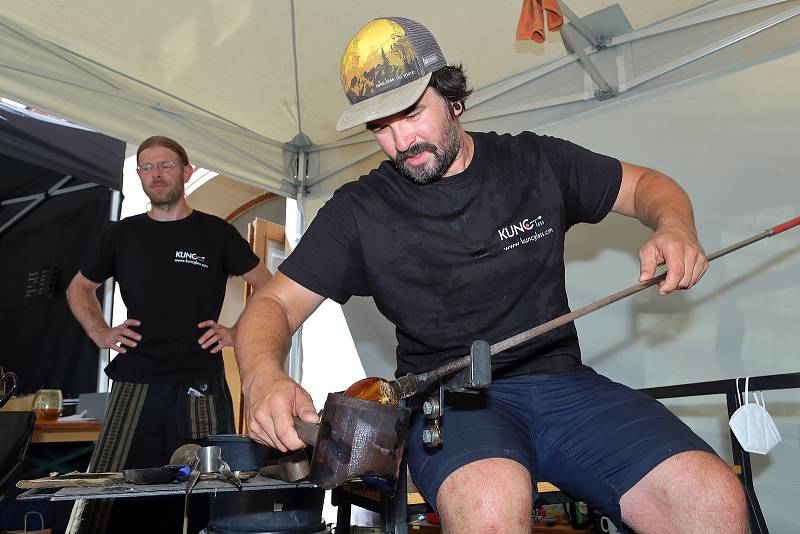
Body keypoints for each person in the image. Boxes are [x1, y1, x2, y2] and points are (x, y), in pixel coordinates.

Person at [234, 17, 747, 534]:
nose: (400, 141)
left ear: (453, 98)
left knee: (711, 498)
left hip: (565, 387)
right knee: (488, 511)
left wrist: (675, 226)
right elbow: (273, 304)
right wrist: (262, 376)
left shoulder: (536, 161)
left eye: (412, 114)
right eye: (381, 128)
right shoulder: (358, 211)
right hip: (453, 406)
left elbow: (645, 186)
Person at [66, 135, 269, 533]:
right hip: (134, 381)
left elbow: (268, 285)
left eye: (166, 166)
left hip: (201, 384)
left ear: (186, 172)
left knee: (209, 489)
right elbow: (79, 288)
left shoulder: (216, 233)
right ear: (139, 175)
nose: (156, 174)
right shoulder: (121, 235)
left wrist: (237, 331)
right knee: (110, 489)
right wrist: (101, 332)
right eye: (147, 167)